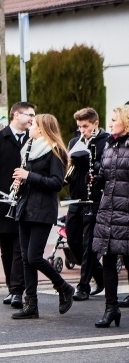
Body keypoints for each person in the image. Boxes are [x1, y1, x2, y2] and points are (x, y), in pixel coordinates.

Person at [11, 113, 74, 320]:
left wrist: (29, 176)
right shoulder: (29, 149)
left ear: (42, 128)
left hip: (42, 210)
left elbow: (57, 183)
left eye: (34, 124)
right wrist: (19, 183)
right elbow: (30, 180)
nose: (30, 126)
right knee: (25, 258)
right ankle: (31, 304)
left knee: (33, 257)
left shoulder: (54, 151)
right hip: (25, 208)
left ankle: (64, 287)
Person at [0, 101, 34, 309]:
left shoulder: (33, 138)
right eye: (29, 114)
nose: (32, 119)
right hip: (1, 203)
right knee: (6, 250)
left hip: (25, 202)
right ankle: (12, 288)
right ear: (16, 115)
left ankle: (18, 291)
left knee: (20, 248)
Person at [91, 105, 129, 328]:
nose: (111, 122)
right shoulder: (109, 145)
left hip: (126, 210)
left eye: (114, 119)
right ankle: (110, 308)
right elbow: (105, 176)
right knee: (108, 259)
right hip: (108, 210)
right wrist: (95, 177)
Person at [66, 108, 109, 301]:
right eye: (79, 127)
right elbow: (70, 169)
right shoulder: (75, 142)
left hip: (96, 198)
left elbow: (107, 168)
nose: (82, 130)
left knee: (89, 243)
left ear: (95, 124)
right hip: (77, 197)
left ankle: (83, 286)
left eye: (86, 126)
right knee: (72, 239)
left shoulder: (106, 141)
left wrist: (92, 163)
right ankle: (98, 273)